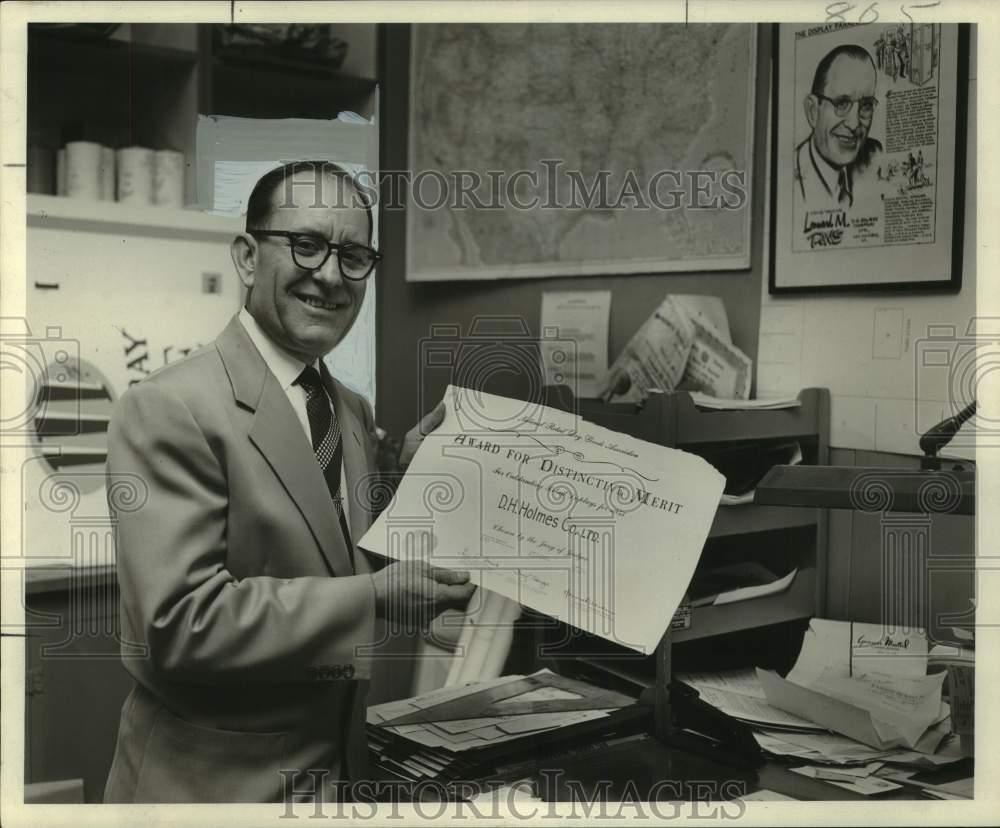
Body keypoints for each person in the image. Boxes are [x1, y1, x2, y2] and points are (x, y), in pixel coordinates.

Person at [103, 161, 476, 803]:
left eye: (354, 255)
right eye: (306, 244)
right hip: (215, 794)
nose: (331, 275)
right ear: (248, 257)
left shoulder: (348, 409)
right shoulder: (168, 406)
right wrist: (376, 599)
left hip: (335, 781)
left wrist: (413, 480)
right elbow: (180, 626)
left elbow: (328, 549)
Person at [794, 44, 883, 210]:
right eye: (841, 104)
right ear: (813, 111)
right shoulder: (788, 176)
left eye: (865, 105)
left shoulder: (876, 158)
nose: (855, 123)